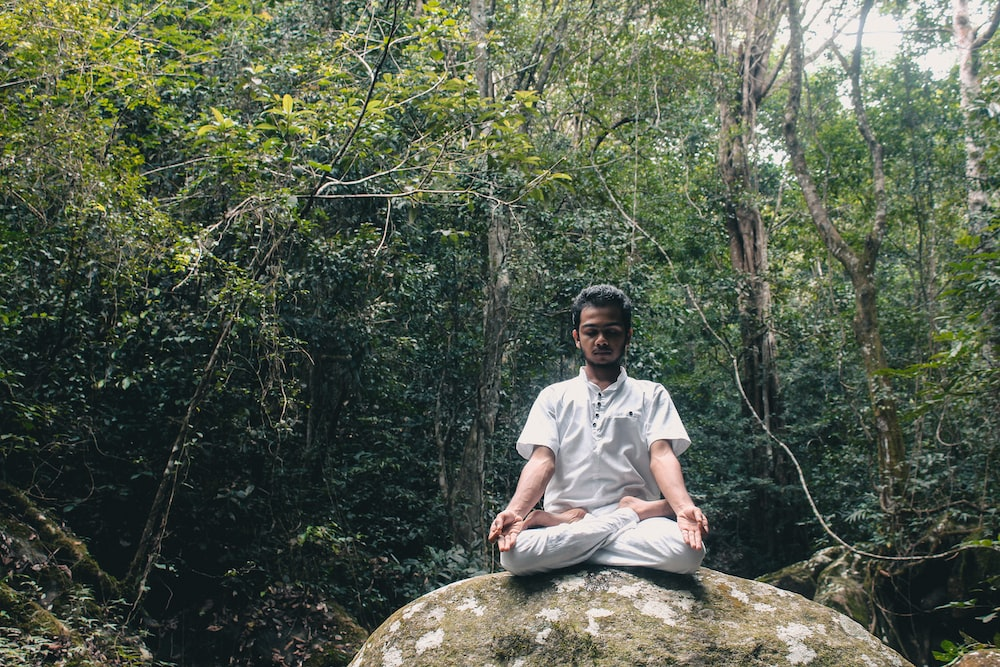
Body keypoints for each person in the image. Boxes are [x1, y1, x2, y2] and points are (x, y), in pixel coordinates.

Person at [487, 284, 708, 576]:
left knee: (686, 555)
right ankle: (618, 521)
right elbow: (542, 461)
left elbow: (662, 456)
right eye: (591, 332)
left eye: (612, 332)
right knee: (514, 556)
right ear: (577, 338)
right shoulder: (554, 396)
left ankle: (621, 518)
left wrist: (682, 508)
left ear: (627, 336)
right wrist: (516, 512)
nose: (601, 340)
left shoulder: (651, 394)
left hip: (638, 522)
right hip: (569, 518)